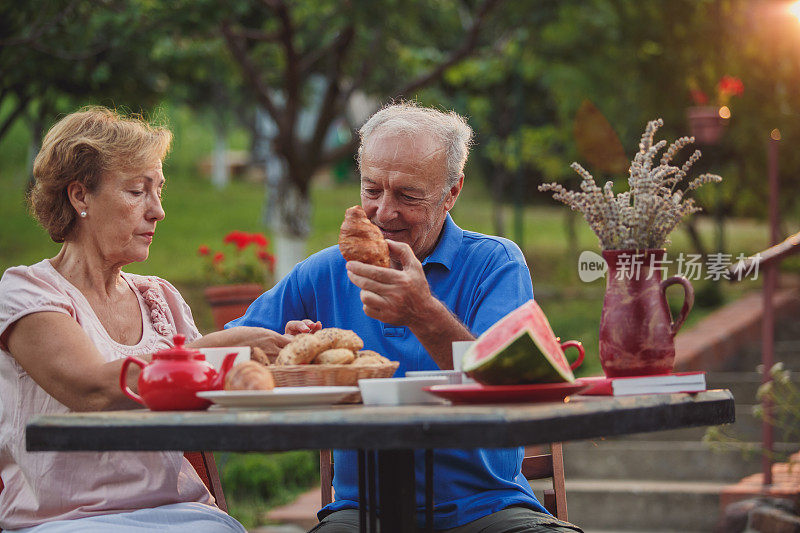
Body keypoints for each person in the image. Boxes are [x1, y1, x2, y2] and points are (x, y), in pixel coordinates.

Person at [228, 102, 583, 533]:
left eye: (407, 195)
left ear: (452, 192)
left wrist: (423, 313)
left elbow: (511, 385)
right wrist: (284, 355)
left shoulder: (495, 263)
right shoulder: (326, 271)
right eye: (372, 190)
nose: (383, 212)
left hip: (487, 507)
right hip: (363, 511)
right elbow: (230, 350)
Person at [0, 107, 294, 532]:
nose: (158, 211)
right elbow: (93, 390)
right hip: (67, 520)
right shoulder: (27, 293)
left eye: (159, 190)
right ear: (80, 196)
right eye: (138, 191)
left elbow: (207, 402)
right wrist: (215, 348)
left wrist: (273, 358)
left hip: (182, 512)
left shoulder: (161, 298)